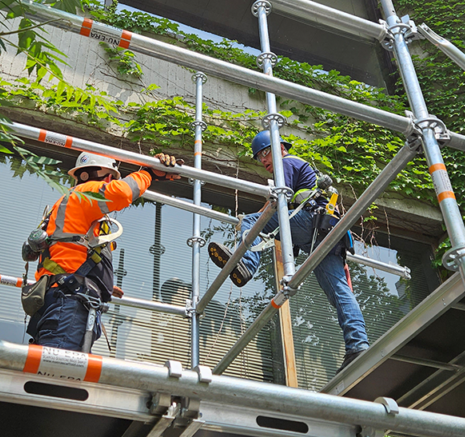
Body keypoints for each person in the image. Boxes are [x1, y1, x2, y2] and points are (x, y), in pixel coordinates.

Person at [207, 131, 369, 373]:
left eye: (265, 152)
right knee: (340, 293)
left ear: (281, 147)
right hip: (323, 234)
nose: (263, 160)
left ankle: (247, 264)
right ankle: (358, 346)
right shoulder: (298, 167)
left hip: (308, 221)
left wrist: (248, 224)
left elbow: (276, 204)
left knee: (252, 222)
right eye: (259, 157)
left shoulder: (288, 163)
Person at [23, 151, 180, 352]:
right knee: (59, 370)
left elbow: (68, 255)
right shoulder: (84, 193)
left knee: (54, 370)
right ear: (107, 178)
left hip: (62, 297)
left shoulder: (70, 209)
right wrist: (148, 173)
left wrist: (98, 282)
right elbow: (122, 192)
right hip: (69, 301)